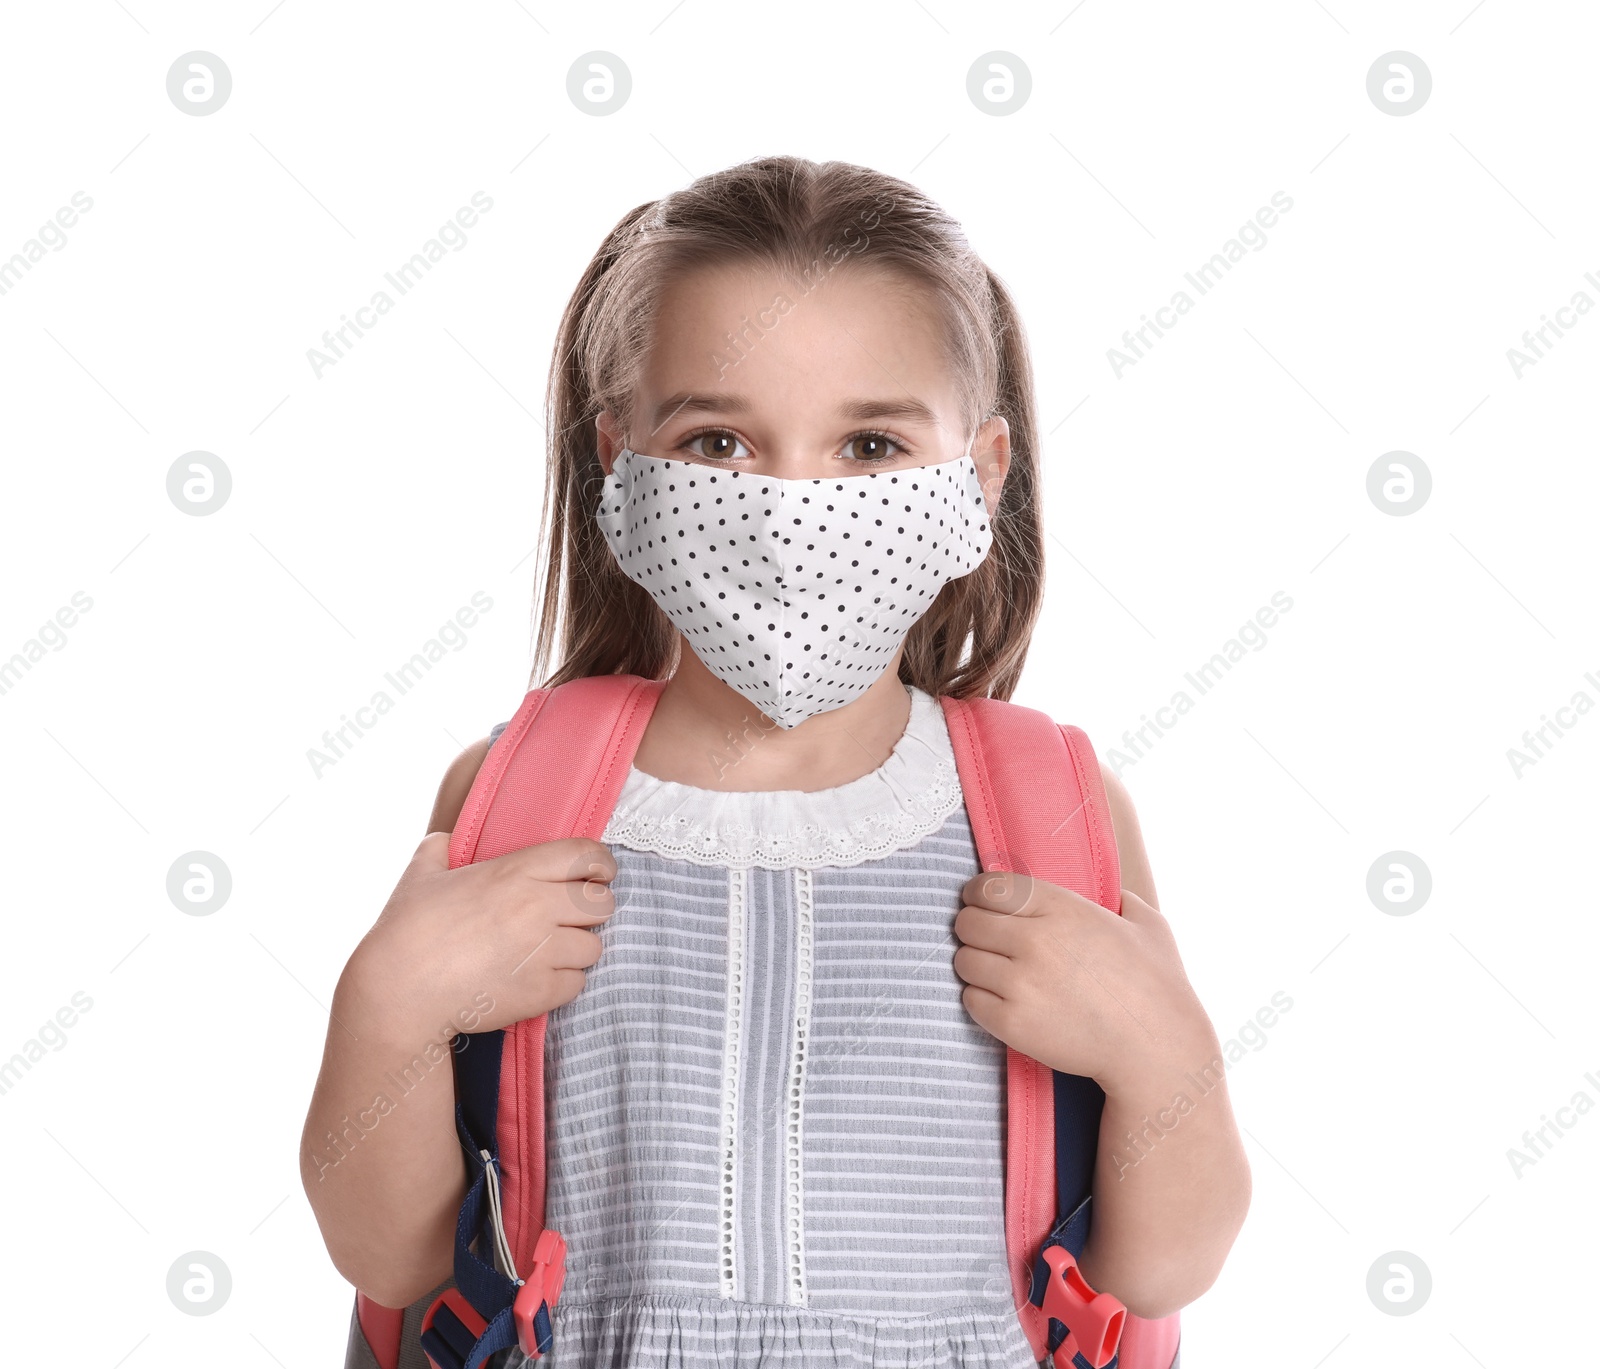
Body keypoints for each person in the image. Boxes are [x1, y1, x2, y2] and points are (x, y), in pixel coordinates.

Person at [301, 154, 1250, 1368]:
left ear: (983, 475)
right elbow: (397, 1262)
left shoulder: (1054, 815)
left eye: (867, 445)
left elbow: (1162, 1269)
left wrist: (1162, 1053)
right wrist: (386, 1011)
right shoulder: (511, 802)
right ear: (620, 467)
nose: (793, 504)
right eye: (718, 442)